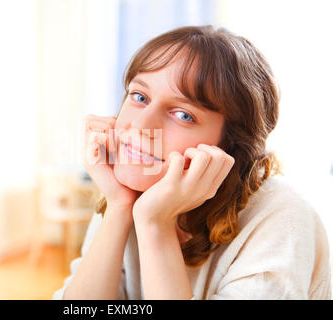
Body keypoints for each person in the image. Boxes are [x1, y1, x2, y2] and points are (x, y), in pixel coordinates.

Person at [52, 25, 331, 300]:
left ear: (230, 147)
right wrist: (119, 208)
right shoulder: (127, 192)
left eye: (183, 115)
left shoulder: (282, 217)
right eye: (140, 97)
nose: (139, 125)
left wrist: (156, 226)